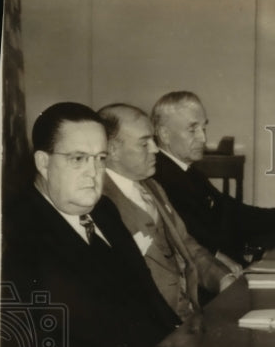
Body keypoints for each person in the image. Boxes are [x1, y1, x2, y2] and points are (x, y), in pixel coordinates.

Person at [2, 102, 180, 347]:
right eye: (78, 159)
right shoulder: (14, 228)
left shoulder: (104, 211)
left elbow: (147, 292)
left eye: (99, 159)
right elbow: (13, 334)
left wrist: (178, 343)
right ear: (43, 163)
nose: (93, 174)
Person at [151, 90, 275, 264]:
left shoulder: (186, 172)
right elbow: (205, 243)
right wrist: (273, 242)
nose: (203, 138)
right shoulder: (161, 179)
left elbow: (235, 214)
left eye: (203, 128)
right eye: (192, 130)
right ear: (165, 134)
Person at [98, 103, 236, 320]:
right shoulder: (98, 201)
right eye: (145, 143)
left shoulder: (153, 187)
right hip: (149, 328)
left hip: (186, 318)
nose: (155, 149)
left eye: (153, 140)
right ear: (113, 150)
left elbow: (186, 244)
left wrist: (223, 278)